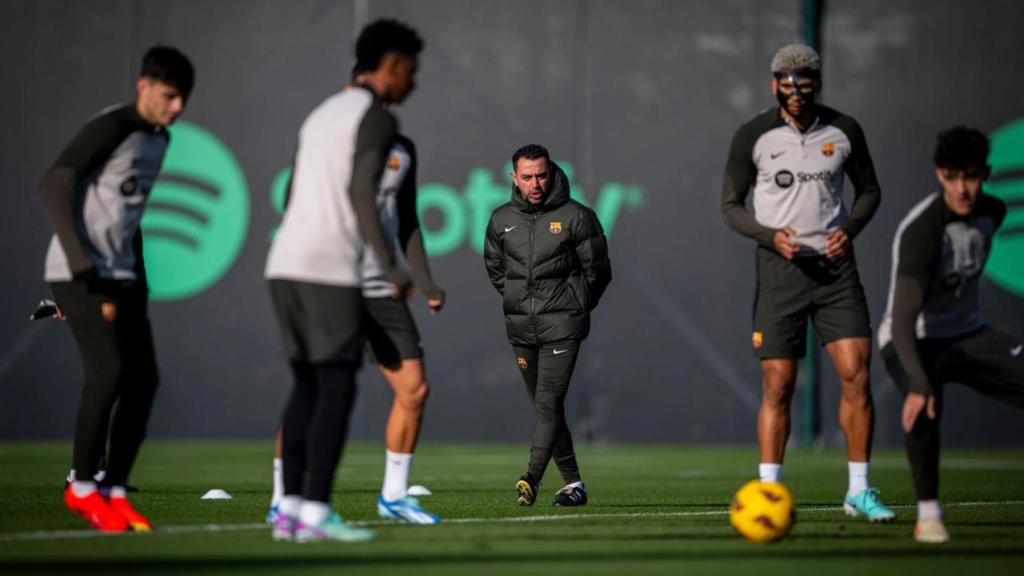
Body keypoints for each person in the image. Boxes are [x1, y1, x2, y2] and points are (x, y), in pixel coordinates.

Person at [720, 43, 894, 521]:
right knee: (778, 383)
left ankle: (859, 490)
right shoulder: (753, 135)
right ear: (775, 84)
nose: (796, 92)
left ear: (818, 84)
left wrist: (849, 230)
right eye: (787, 83)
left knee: (857, 372)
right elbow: (731, 206)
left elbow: (871, 191)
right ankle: (769, 491)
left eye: (805, 83)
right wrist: (771, 236)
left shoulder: (844, 130)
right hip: (781, 271)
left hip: (836, 269)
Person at [264, 18, 422, 542]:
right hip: (330, 268)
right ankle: (314, 511)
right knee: (335, 385)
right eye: (411, 72)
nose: (413, 85)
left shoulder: (321, 113)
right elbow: (360, 193)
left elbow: (291, 194)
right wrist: (391, 264)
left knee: (307, 384)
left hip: (285, 264)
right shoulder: (377, 118)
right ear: (392, 66)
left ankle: (287, 510)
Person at [40, 46, 195, 532]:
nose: (176, 108)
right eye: (169, 96)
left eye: (182, 100)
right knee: (108, 373)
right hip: (78, 271)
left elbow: (131, 217)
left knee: (144, 380)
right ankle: (82, 488)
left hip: (124, 275)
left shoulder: (161, 140)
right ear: (143, 85)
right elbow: (53, 182)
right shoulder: (111, 127)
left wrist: (138, 276)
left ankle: (115, 489)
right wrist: (80, 260)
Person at [266, 130, 445, 526]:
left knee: (414, 390)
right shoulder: (334, 141)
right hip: (334, 281)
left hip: (382, 288)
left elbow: (407, 218)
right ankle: (283, 498)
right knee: (313, 388)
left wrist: (425, 281)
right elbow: (291, 201)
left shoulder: (403, 147)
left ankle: (395, 496)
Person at [878, 126, 1022, 544]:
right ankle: (928, 515)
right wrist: (919, 383)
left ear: (986, 174)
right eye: (954, 176)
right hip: (913, 339)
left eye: (972, 176)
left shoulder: (993, 213)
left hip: (968, 334)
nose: (963, 188)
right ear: (940, 174)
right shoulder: (924, 231)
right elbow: (903, 319)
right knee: (922, 404)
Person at [484, 144, 611, 507]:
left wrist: (574, 306)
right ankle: (573, 484)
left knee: (547, 402)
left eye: (541, 174)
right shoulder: (500, 219)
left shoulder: (576, 216)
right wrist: (518, 300)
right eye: (527, 177)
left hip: (563, 326)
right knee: (546, 410)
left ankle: (532, 477)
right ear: (514, 178)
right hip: (522, 328)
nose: (535, 183)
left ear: (551, 171)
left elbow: (599, 272)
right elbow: (496, 271)